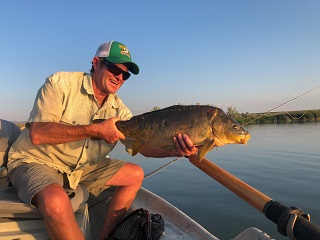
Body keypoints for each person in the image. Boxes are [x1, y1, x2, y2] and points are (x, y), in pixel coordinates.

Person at [7, 40, 198, 240]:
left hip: (80, 168)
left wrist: (175, 150)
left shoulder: (120, 110)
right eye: (115, 68)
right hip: (36, 161)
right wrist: (96, 130)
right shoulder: (60, 83)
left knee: (134, 174)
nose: (119, 77)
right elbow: (38, 133)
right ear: (96, 63)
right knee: (56, 201)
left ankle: (106, 237)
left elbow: (142, 147)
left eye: (125, 74)